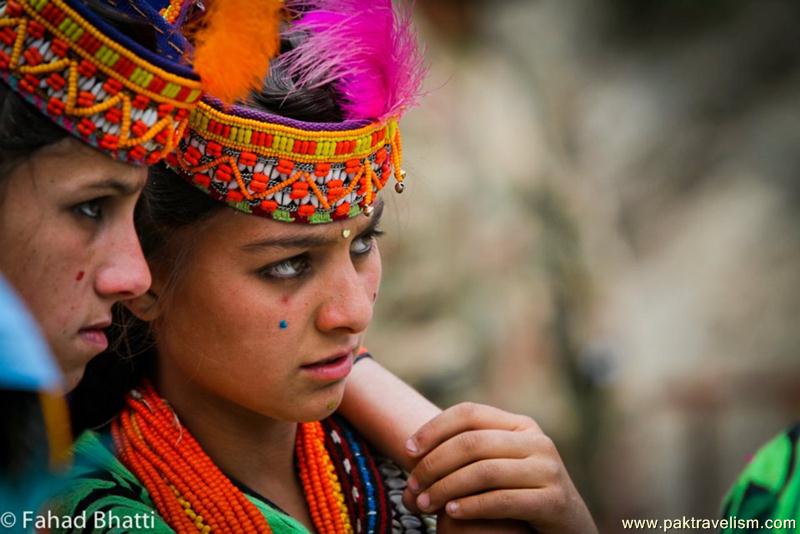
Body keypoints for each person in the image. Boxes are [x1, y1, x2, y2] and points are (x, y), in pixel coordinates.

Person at [55, 1, 598, 533]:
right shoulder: (76, 510)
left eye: (364, 243)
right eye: (289, 265)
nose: (354, 312)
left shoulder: (414, 473)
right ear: (145, 273)